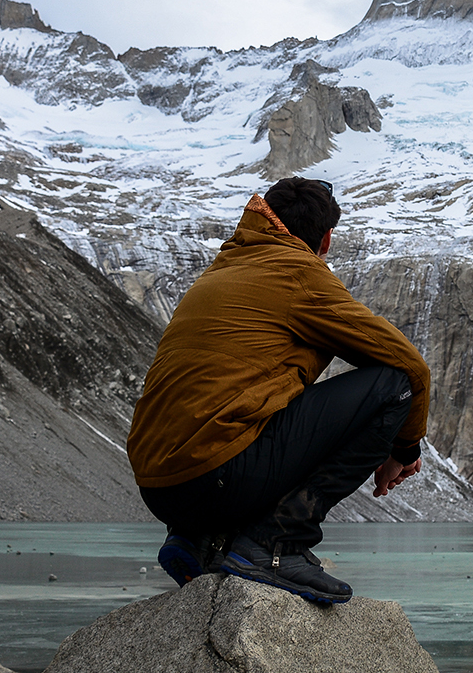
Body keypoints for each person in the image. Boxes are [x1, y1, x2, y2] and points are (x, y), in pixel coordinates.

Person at [128, 176, 429, 604]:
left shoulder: (223, 268)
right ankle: (275, 545)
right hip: (216, 480)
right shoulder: (299, 274)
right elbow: (411, 369)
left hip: (160, 490)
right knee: (393, 387)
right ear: (325, 239)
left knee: (251, 401)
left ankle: (200, 541)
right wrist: (404, 450)